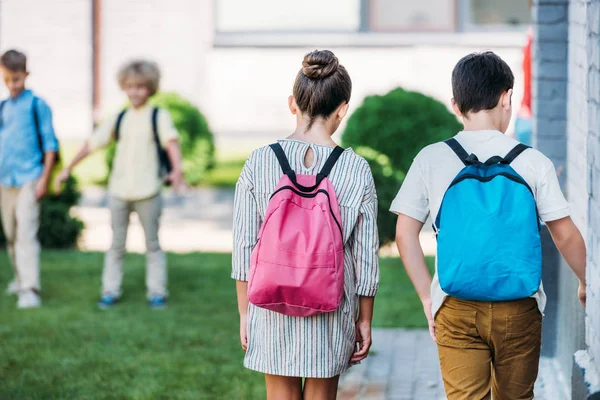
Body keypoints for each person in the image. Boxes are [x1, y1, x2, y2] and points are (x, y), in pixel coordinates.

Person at [392, 52, 586, 399]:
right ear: (506, 97)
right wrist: (587, 280)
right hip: (519, 307)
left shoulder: (432, 158)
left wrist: (426, 297)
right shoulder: (533, 161)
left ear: (455, 104)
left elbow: (405, 234)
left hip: (454, 303)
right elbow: (565, 234)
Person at [232, 50, 380, 399]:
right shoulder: (356, 169)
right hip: (331, 304)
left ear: (292, 103)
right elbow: (366, 260)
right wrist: (364, 320)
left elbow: (243, 245)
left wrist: (244, 313)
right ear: (343, 108)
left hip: (270, 302)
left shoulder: (260, 161)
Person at [54, 60, 185, 309]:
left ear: (150, 88)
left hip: (148, 191)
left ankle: (157, 293)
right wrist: (68, 168)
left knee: (153, 245)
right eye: (130, 86)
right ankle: (109, 291)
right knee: (116, 245)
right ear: (123, 87)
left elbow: (171, 143)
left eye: (140, 87)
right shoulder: (120, 117)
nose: (135, 92)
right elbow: (92, 143)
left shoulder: (158, 115)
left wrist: (177, 171)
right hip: (119, 191)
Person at [0, 49, 59, 309]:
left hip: (30, 177)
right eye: (6, 80)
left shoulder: (37, 105)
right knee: (11, 234)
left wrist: (45, 179)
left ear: (26, 75)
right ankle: (19, 276)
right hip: (5, 180)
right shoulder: (3, 107)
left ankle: (30, 289)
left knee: (26, 232)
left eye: (16, 79)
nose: (12, 85)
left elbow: (50, 145)